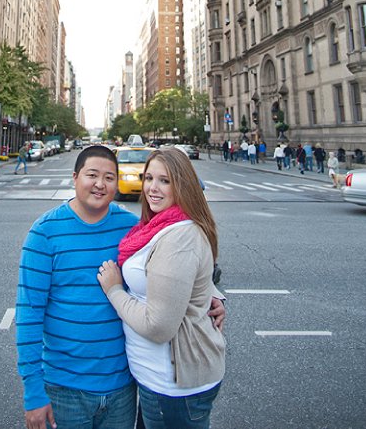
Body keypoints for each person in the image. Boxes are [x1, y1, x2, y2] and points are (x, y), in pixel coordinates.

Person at [16, 145, 225, 429]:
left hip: (123, 387)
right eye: (92, 175)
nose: (100, 184)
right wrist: (33, 393)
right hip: (65, 388)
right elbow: (28, 315)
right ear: (75, 177)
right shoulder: (44, 233)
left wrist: (210, 295)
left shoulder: (131, 228)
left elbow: (176, 261)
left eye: (109, 177)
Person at [97, 148, 226, 429]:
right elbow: (184, 277)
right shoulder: (158, 225)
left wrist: (114, 290)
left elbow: (158, 327)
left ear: (183, 185)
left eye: (165, 181)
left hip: (173, 385)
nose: (153, 188)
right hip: (157, 379)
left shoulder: (179, 236)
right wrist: (211, 294)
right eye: (149, 178)